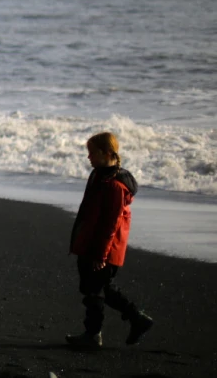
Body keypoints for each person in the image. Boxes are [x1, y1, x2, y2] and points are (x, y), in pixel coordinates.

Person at [66, 132, 155, 348]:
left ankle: (93, 335)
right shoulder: (97, 175)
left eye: (93, 153)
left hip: (103, 249)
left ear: (107, 153)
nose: (89, 158)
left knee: (95, 291)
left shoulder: (115, 185)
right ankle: (137, 319)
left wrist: (101, 254)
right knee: (102, 289)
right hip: (90, 243)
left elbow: (110, 224)